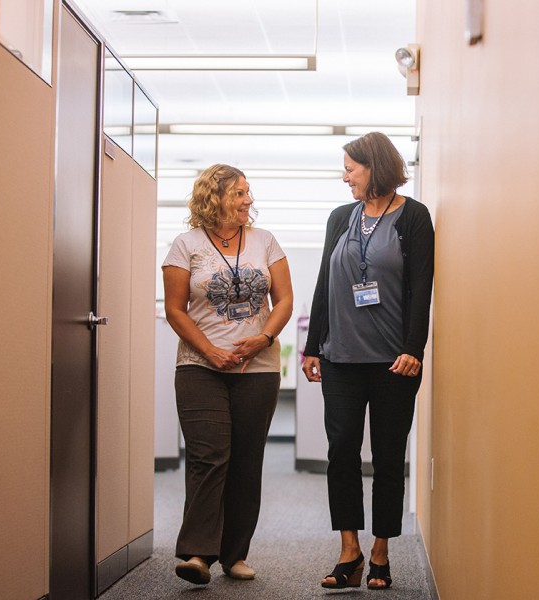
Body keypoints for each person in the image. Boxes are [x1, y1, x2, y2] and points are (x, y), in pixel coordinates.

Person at [301, 132, 434, 590]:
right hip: (341, 357)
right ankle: (349, 551)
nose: (345, 178)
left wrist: (414, 349)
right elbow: (325, 282)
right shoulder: (341, 218)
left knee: (387, 457)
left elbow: (421, 289)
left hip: (393, 362)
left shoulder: (413, 217)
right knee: (340, 454)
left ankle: (381, 551)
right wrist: (313, 345)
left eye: (350, 169)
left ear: (373, 167)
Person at [162, 164, 293, 586]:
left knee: (246, 460)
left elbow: (285, 300)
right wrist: (210, 350)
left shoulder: (265, 241)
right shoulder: (185, 246)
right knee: (209, 455)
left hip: (257, 369)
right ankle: (199, 553)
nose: (248, 201)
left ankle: (235, 555)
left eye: (248, 193)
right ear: (214, 197)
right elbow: (175, 309)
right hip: (201, 368)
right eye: (239, 193)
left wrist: (264, 338)